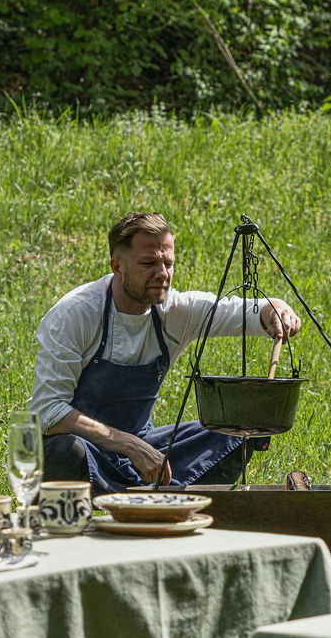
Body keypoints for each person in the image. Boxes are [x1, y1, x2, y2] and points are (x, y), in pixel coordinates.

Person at [33, 211, 301, 492]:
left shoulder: (176, 313)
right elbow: (47, 411)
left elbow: (248, 312)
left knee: (237, 432)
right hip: (89, 452)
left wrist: (275, 309)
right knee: (64, 450)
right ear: (117, 265)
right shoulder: (76, 314)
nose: (162, 274)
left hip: (147, 449)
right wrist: (129, 445)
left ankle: (186, 521)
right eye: (148, 263)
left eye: (168, 263)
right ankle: (71, 529)